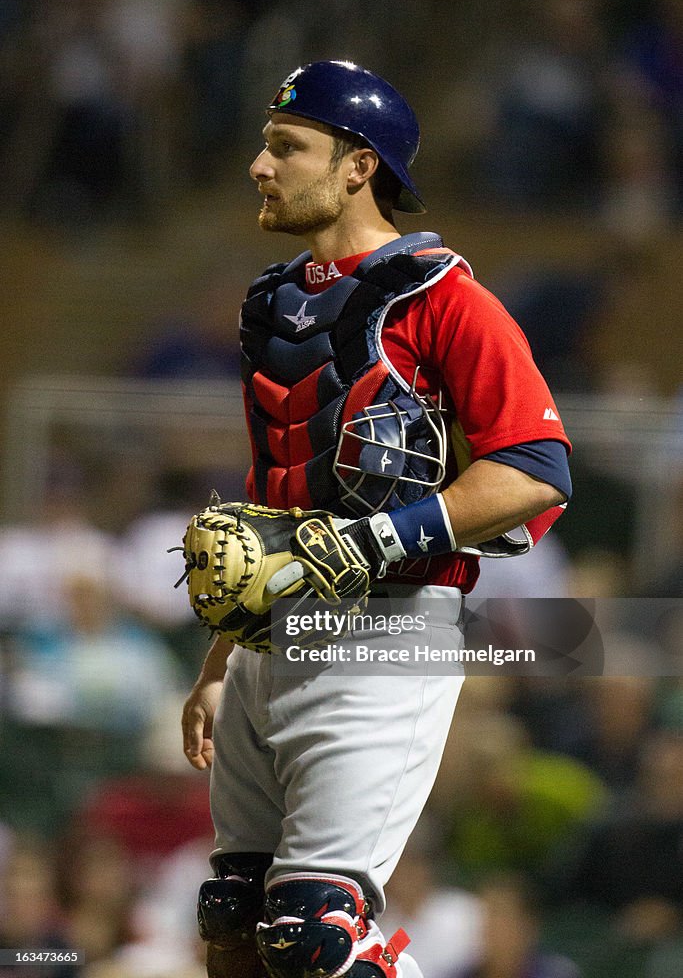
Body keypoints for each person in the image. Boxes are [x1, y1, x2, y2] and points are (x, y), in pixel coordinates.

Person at [181, 60, 572, 978]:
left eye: (286, 147)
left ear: (358, 166)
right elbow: (273, 495)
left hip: (390, 634)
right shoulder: (275, 303)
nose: (258, 165)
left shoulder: (444, 298)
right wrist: (218, 660)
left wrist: (369, 539)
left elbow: (535, 468)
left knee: (314, 932)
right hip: (272, 643)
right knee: (234, 926)